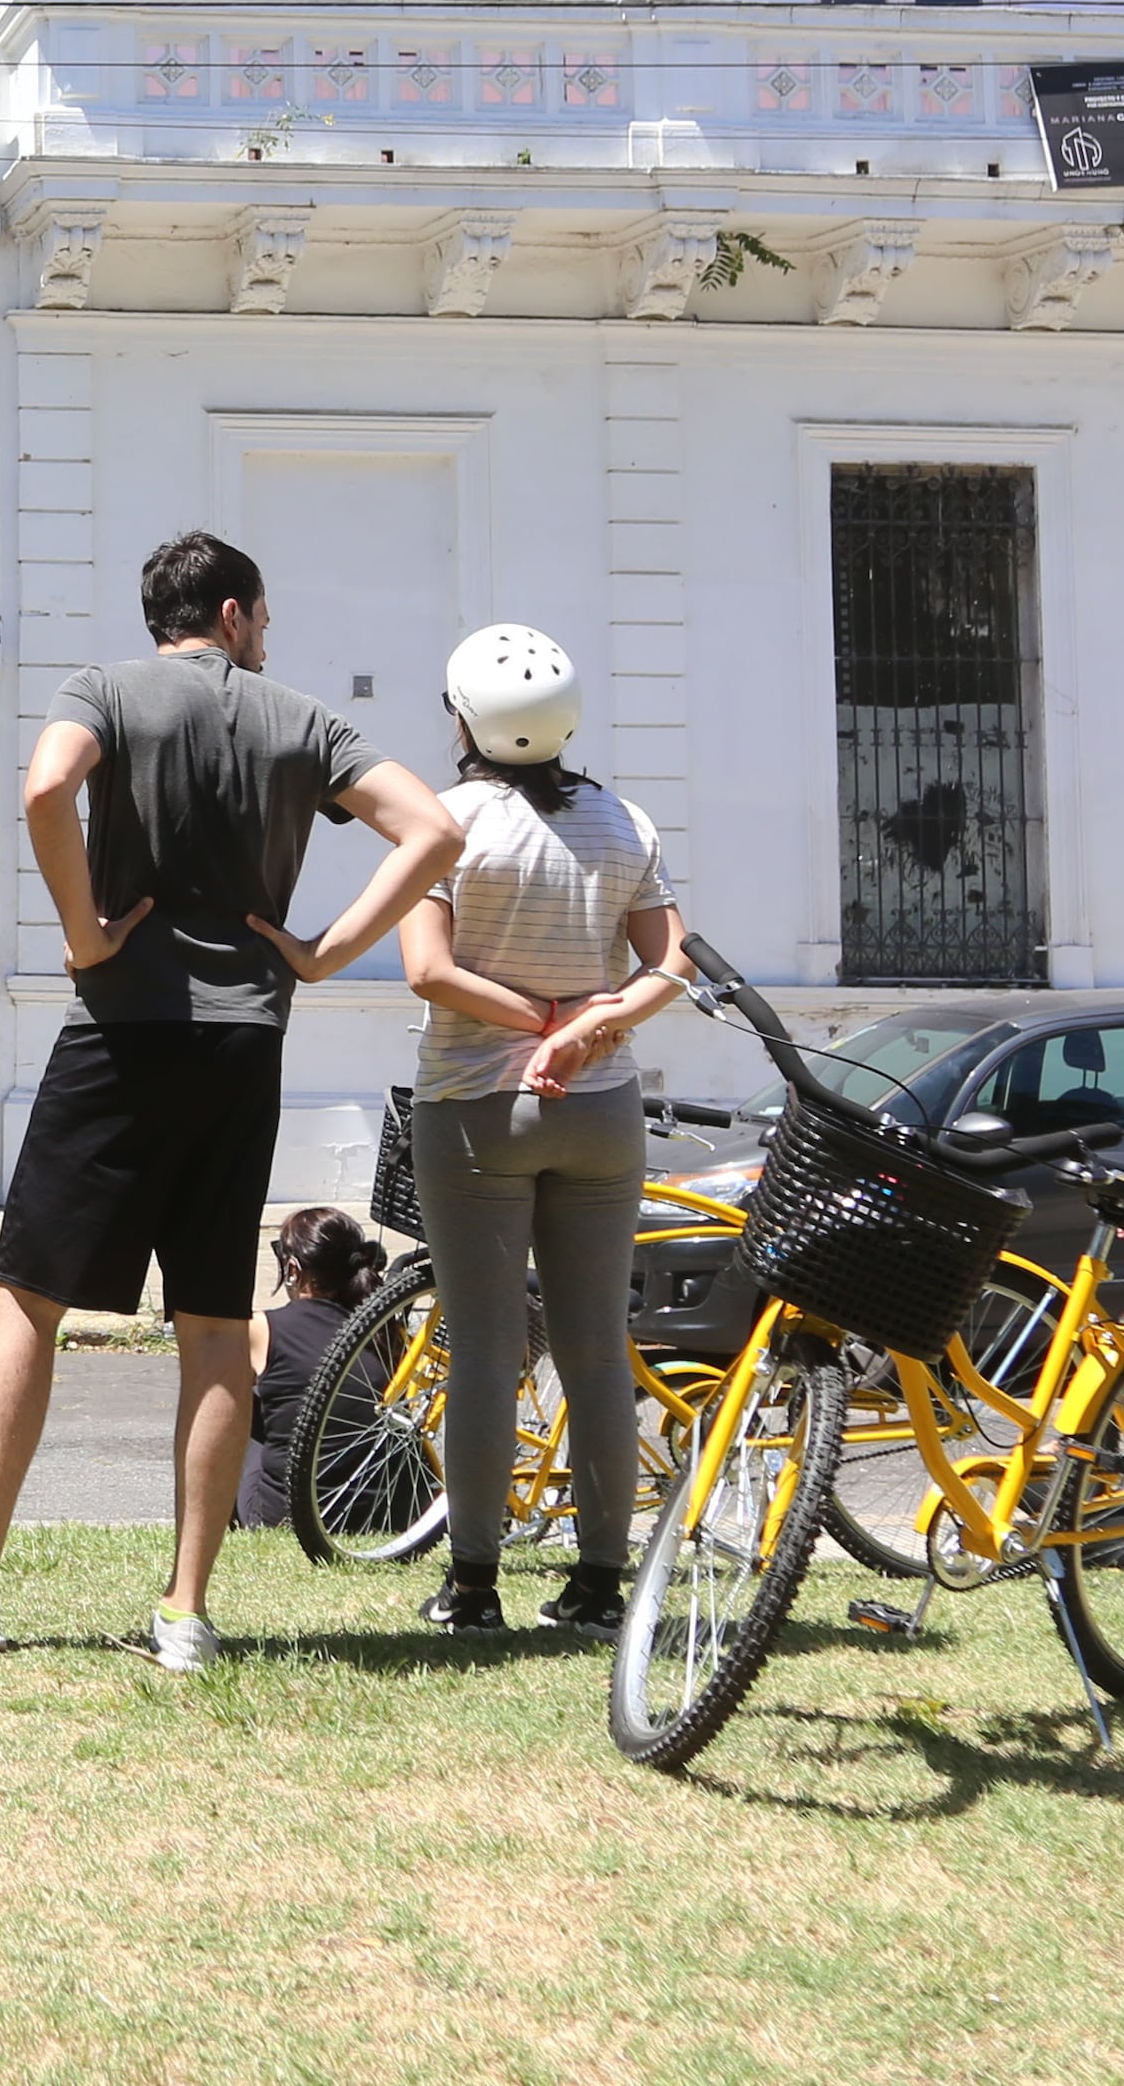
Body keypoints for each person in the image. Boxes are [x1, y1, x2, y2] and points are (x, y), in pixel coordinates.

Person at [0, 531, 460, 1668]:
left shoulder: (102, 689)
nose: (264, 637)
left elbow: (45, 786)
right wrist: (325, 955)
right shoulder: (300, 720)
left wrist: (83, 931)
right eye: (263, 620)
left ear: (165, 616)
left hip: (119, 1035)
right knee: (209, 1330)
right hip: (243, 1049)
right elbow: (432, 828)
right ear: (234, 614)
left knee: (24, 1305)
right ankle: (185, 1615)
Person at [392, 623, 688, 1638]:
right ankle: (600, 1585)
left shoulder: (444, 823)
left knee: (480, 1351)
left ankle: (472, 1585)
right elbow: (667, 964)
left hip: (476, 1103)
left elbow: (428, 972)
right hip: (601, 1110)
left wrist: (532, 1027)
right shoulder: (622, 823)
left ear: (462, 719)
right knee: (597, 1351)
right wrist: (589, 1025)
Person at [234, 1207, 387, 1531]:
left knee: (239, 1407)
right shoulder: (385, 1331)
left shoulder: (263, 1329)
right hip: (380, 1512)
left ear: (293, 1268)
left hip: (283, 1514)